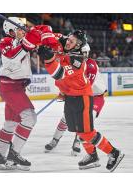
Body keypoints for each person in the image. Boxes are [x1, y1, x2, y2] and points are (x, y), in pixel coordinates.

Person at [38, 30, 124, 172]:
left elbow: (60, 74)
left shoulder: (78, 61)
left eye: (72, 42)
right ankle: (92, 156)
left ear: (79, 47)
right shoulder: (66, 48)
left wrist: (49, 58)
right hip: (71, 97)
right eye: (69, 39)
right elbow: (55, 37)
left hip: (84, 97)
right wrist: (46, 39)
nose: (68, 42)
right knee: (79, 130)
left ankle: (114, 153)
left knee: (87, 132)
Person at [44, 43, 108, 168]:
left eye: (84, 53)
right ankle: (55, 139)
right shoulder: (73, 62)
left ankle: (77, 142)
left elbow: (83, 85)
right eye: (80, 52)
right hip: (80, 95)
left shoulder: (90, 64)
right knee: (65, 119)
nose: (82, 55)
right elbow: (67, 79)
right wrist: (63, 91)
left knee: (85, 124)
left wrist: (67, 92)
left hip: (95, 98)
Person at [0, 17, 44, 171]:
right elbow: (12, 57)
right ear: (10, 30)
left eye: (23, 28)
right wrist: (27, 43)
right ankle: (14, 154)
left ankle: (0, 157)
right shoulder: (5, 42)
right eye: (19, 28)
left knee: (10, 123)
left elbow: (32, 47)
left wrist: (38, 36)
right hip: (10, 88)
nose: (22, 30)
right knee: (30, 117)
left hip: (16, 88)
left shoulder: (22, 41)